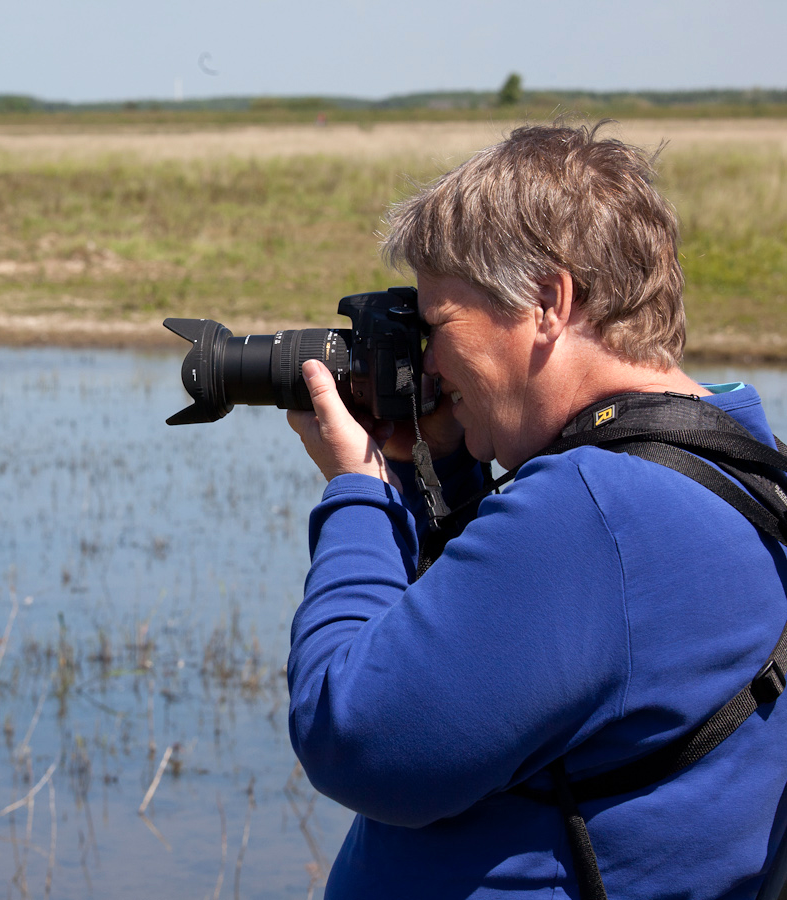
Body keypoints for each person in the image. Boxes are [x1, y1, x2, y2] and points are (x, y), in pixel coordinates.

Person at [285, 121, 787, 899]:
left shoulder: (597, 512)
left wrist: (363, 493)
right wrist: (443, 469)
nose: (430, 363)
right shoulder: (734, 461)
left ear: (550, 301)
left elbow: (353, 736)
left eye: (439, 325)